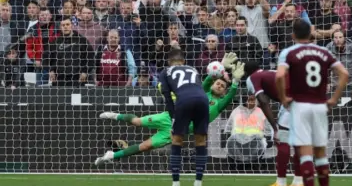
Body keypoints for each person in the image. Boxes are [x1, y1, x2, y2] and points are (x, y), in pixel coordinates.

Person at [96, 53, 243, 164]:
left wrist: (235, 81)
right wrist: (221, 66)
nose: (219, 86)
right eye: (218, 83)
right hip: (170, 117)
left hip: (175, 130)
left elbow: (231, 95)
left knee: (145, 146)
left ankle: (111, 156)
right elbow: (208, 79)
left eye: (223, 86)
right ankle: (114, 115)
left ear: (224, 91)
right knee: (137, 122)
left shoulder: (219, 105)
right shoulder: (202, 92)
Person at [276, 19, 349, 186]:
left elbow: (279, 76)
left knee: (305, 152)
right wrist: (333, 98)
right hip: (319, 106)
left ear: (293, 35)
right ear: (311, 34)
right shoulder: (324, 52)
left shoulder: (289, 52)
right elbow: (344, 74)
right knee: (321, 153)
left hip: (300, 106)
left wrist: (284, 97)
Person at [160, 49, 211, 186]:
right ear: (183, 61)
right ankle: (198, 185)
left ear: (169, 62)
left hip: (183, 101)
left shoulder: (166, 72)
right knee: (200, 141)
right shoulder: (193, 69)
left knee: (176, 141)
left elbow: (167, 97)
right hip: (202, 100)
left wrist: (173, 118)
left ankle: (176, 185)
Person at [248, 65, 304, 186]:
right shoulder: (268, 73)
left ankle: (281, 183)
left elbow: (262, 100)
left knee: (282, 137)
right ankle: (298, 182)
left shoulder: (253, 77)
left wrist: (274, 127)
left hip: (294, 100)